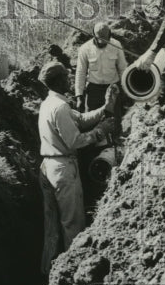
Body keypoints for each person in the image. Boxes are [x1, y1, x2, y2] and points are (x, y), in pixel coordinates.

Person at [38, 60, 118, 273]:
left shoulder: (50, 103)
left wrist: (105, 107)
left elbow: (81, 119)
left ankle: (49, 272)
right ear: (59, 80)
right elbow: (75, 141)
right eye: (67, 77)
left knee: (52, 224)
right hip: (63, 169)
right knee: (73, 223)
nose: (70, 79)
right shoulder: (60, 108)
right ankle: (73, 272)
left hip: (48, 166)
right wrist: (100, 131)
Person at [74, 21, 127, 112]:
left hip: (113, 88)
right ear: (94, 35)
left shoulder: (116, 45)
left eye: (105, 41)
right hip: (94, 91)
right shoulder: (84, 49)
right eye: (100, 41)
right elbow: (80, 72)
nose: (102, 43)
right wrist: (79, 96)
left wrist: (125, 90)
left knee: (115, 118)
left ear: (109, 35)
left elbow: (122, 68)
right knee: (92, 120)